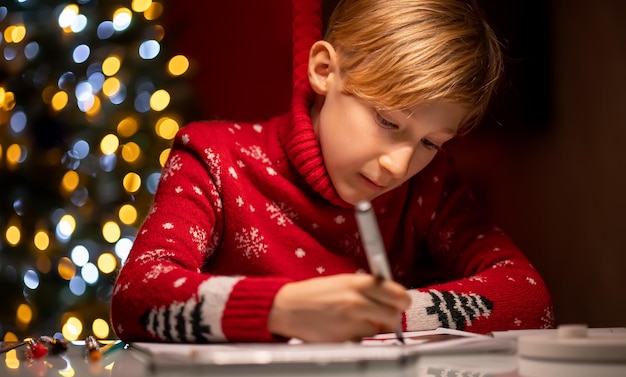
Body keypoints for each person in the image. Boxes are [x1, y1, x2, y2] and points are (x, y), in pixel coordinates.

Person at [110, 0, 554, 343]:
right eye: (387, 122)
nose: (398, 165)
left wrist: (380, 315)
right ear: (324, 70)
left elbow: (529, 298)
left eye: (429, 143)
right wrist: (279, 309)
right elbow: (137, 295)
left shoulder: (428, 188)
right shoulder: (215, 159)